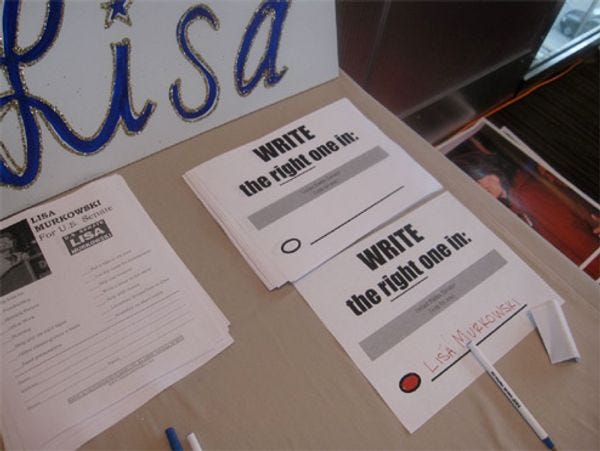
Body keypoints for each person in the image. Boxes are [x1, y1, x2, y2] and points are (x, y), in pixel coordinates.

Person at [448, 144, 600, 279]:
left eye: (477, 180)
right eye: (471, 187)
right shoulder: (510, 206)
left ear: (491, 172)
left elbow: (574, 233)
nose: (480, 188)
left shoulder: (529, 190)